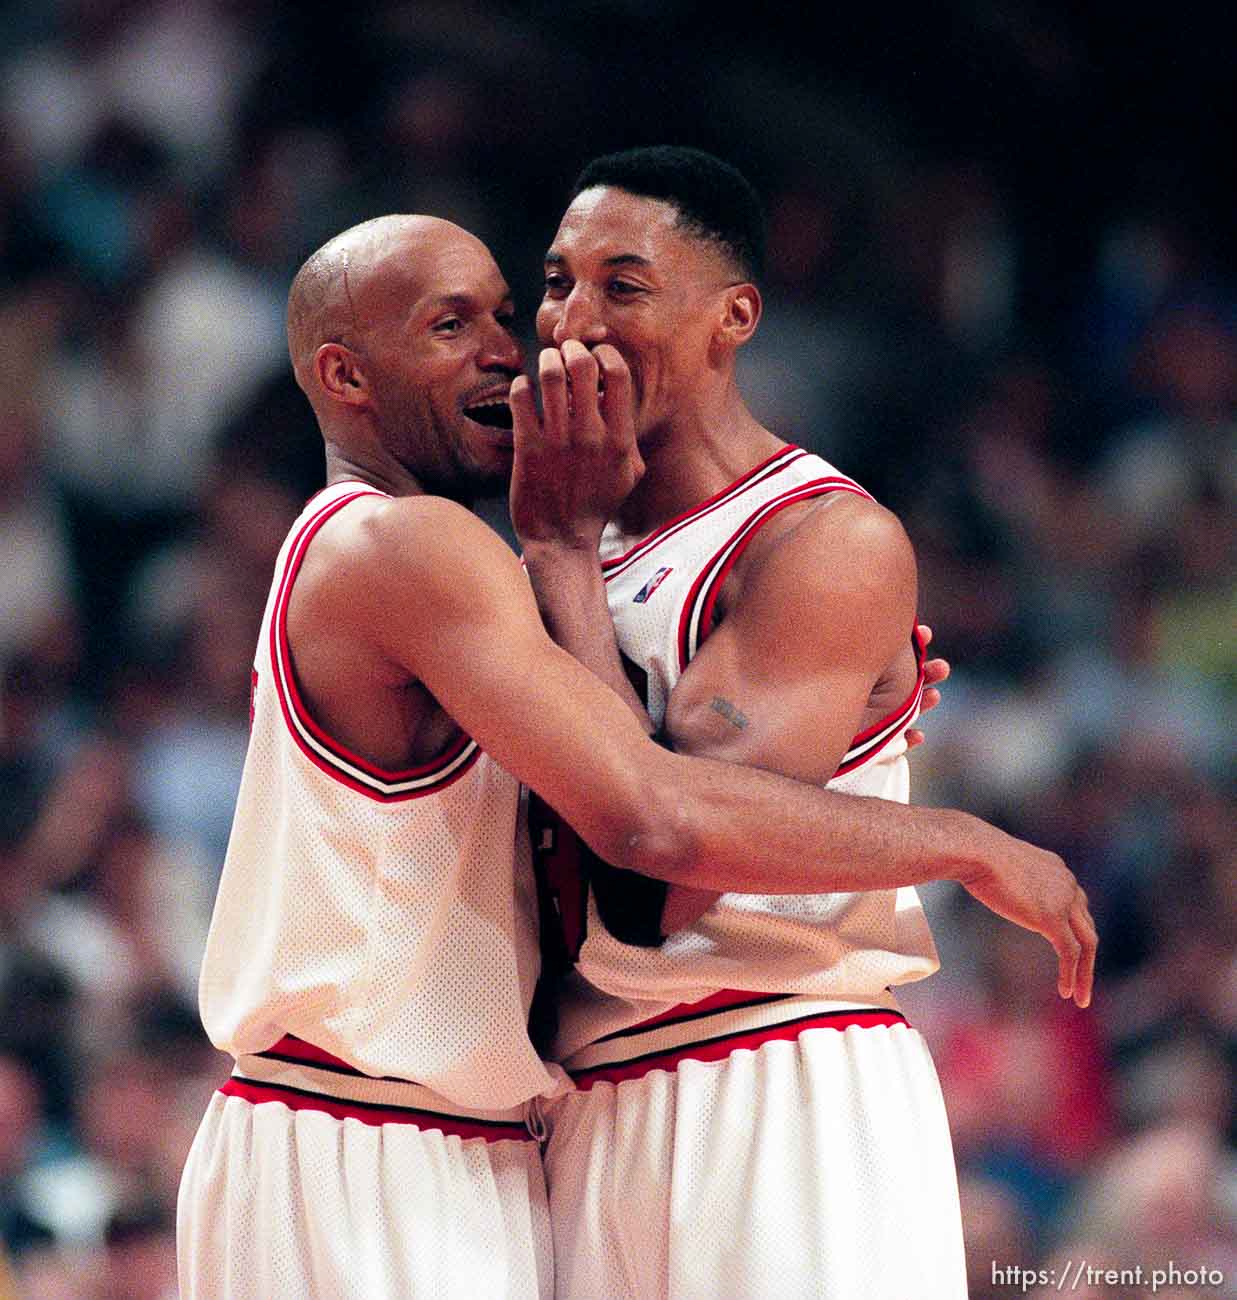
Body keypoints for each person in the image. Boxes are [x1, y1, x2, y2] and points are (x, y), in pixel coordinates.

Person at [175, 211, 1091, 1299]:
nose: (506, 350)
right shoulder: (407, 545)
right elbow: (654, 819)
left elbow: (629, 756)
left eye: (505, 316)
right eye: (449, 325)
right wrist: (957, 840)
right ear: (346, 373)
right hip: (360, 1136)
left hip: (448, 1139)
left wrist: (840, 675)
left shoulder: (448, 575)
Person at [507, 146, 1098, 1299]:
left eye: (622, 285)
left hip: (767, 1077)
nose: (573, 318)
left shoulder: (820, 542)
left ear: (734, 317)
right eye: (557, 280)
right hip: (586, 1100)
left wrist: (561, 561)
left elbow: (660, 868)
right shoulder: (560, 537)